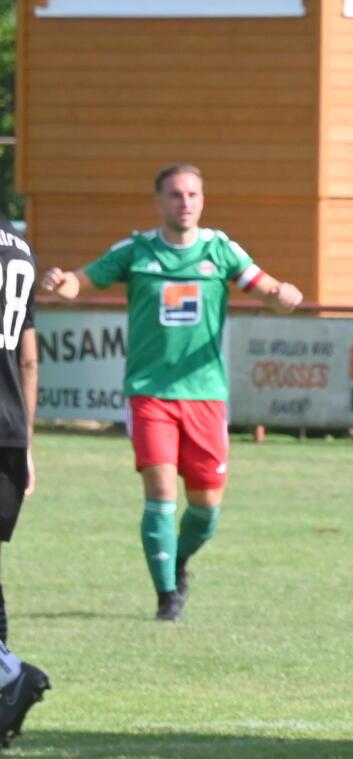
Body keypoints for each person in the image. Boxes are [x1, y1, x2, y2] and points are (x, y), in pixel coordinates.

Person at [39, 164, 302, 621]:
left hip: (205, 395)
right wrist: (63, 285)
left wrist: (283, 295)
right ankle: (167, 598)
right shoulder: (136, 251)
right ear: (159, 201)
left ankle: (177, 559)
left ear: (203, 200)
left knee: (206, 509)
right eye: (176, 195)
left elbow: (265, 288)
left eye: (193, 195)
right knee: (160, 491)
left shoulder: (220, 250)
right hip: (150, 393)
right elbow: (81, 281)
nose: (185, 203)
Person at [0, 220, 51, 749]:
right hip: (10, 428)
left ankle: (10, 674)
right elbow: (29, 357)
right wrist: (27, 443)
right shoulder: (19, 247)